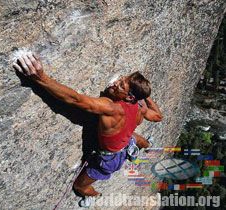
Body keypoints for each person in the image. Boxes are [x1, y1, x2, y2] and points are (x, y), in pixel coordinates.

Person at [13, 53, 163, 206]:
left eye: (121, 85)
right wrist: (144, 96)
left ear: (130, 97)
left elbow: (75, 99)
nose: (115, 83)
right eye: (121, 79)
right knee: (133, 138)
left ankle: (95, 196)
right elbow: (158, 116)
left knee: (80, 186)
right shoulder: (140, 107)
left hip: (109, 159)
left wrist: (41, 78)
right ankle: (147, 147)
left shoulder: (111, 108)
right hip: (125, 140)